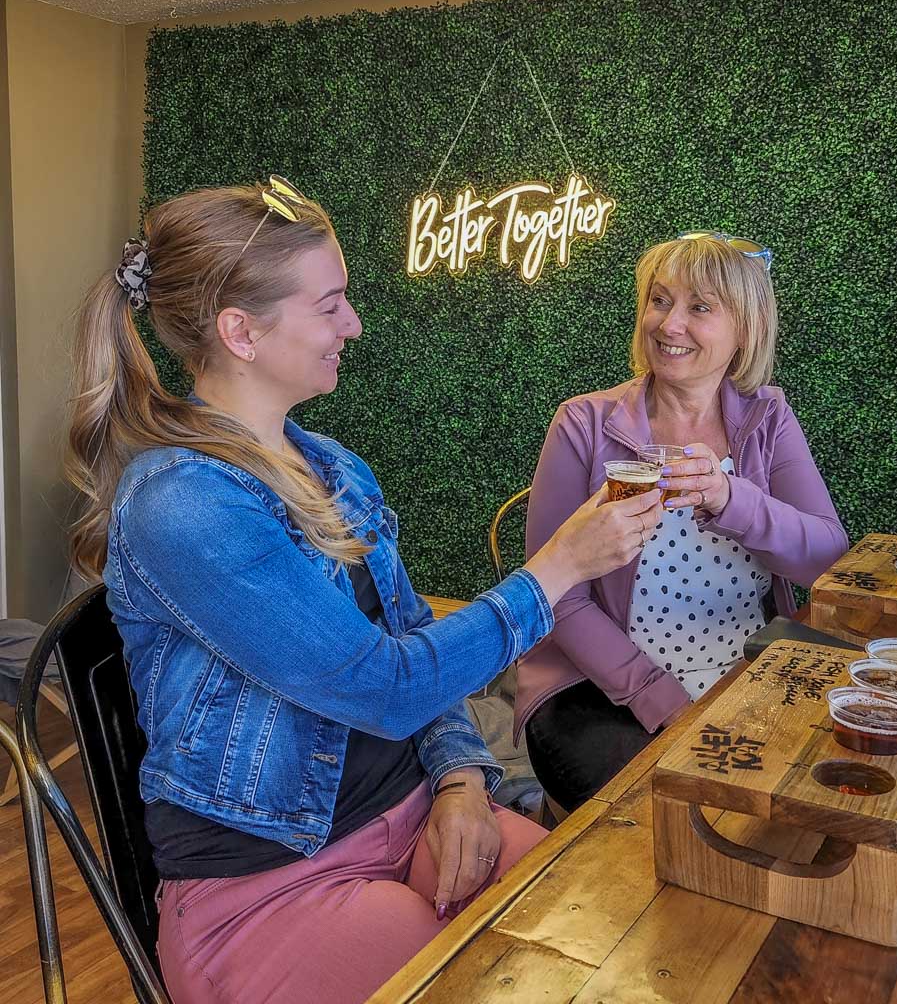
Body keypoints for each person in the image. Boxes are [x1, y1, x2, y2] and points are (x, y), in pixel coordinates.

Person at [65, 176, 662, 1004]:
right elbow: (385, 687)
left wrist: (458, 779)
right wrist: (556, 569)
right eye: (331, 304)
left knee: (607, 925)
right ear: (240, 331)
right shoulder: (183, 504)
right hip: (274, 881)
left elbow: (417, 642)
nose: (352, 324)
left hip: (414, 812)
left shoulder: (335, 466)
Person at [515, 232, 849, 813]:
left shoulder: (767, 417)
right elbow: (556, 597)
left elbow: (828, 558)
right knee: (667, 817)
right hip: (602, 690)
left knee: (817, 795)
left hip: (749, 670)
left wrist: (730, 499)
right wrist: (662, 699)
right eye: (660, 300)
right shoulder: (585, 424)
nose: (668, 325)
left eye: (699, 308)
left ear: (744, 328)